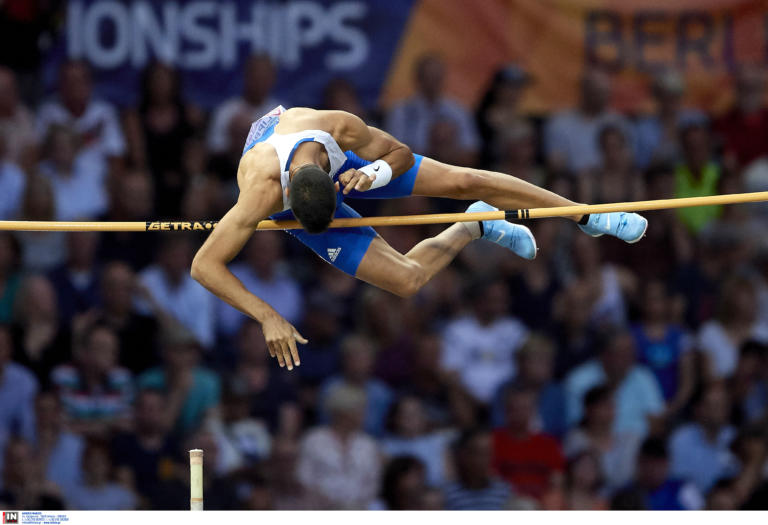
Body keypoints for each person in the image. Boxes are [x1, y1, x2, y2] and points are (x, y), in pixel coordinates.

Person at [189, 105, 648, 370]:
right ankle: (476, 224)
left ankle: (589, 217)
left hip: (349, 164)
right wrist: (266, 315)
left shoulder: (336, 128)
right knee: (407, 281)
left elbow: (401, 153)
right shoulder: (262, 194)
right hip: (291, 196)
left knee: (462, 179)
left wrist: (375, 171)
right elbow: (204, 265)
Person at [296, 384, 381, 509]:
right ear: (343, 413)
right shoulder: (314, 440)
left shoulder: (368, 444)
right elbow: (304, 478)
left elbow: (373, 482)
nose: (364, 415)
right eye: (359, 410)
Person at [385, 54, 479, 167]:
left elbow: (471, 154)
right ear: (418, 78)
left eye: (437, 77)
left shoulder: (459, 112)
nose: (433, 83)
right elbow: (392, 152)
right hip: (411, 174)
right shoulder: (401, 112)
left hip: (450, 173)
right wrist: (430, 152)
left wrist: (446, 151)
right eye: (428, 77)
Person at [491, 385, 565, 502]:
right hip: (505, 503)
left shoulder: (548, 444)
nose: (520, 413)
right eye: (515, 408)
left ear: (533, 411)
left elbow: (557, 481)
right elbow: (491, 480)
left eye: (525, 408)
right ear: (505, 411)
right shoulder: (492, 442)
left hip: (542, 504)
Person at [442, 428, 516, 510]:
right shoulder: (448, 496)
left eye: (487, 453)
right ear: (464, 455)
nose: (484, 460)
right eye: (478, 453)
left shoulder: (504, 492)